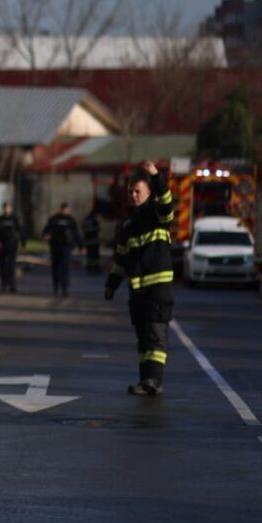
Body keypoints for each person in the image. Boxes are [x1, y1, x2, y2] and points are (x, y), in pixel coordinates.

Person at [104, 161, 175, 396]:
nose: (134, 195)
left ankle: (154, 380)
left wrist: (156, 175)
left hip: (157, 289)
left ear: (148, 193)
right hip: (138, 291)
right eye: (131, 192)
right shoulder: (128, 225)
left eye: (138, 191)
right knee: (143, 339)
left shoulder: (158, 215)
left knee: (155, 337)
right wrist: (112, 284)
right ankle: (145, 380)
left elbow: (166, 201)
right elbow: (122, 258)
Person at [41, 202, 82, 297]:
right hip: (55, 247)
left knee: (65, 269)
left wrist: (81, 245)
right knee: (55, 269)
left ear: (68, 210)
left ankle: (65, 289)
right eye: (63, 209)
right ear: (61, 209)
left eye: (66, 209)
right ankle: (56, 287)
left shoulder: (70, 220)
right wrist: (45, 235)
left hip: (66, 247)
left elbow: (76, 233)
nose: (65, 211)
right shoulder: (54, 219)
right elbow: (46, 230)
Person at [0, 201, 25, 293]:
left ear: (11, 209)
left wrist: (23, 243)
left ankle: (12, 285)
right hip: (1, 245)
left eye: (8, 208)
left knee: (11, 266)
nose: (7, 210)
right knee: (2, 266)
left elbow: (21, 231)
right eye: (5, 208)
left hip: (12, 245)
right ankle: (3, 284)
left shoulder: (14, 219)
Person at [81, 208, 102, 274]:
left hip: (88, 240)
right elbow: (98, 229)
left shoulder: (86, 219)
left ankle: (89, 268)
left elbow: (83, 228)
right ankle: (96, 268)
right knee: (95, 256)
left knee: (89, 255)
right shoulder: (94, 220)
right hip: (94, 240)